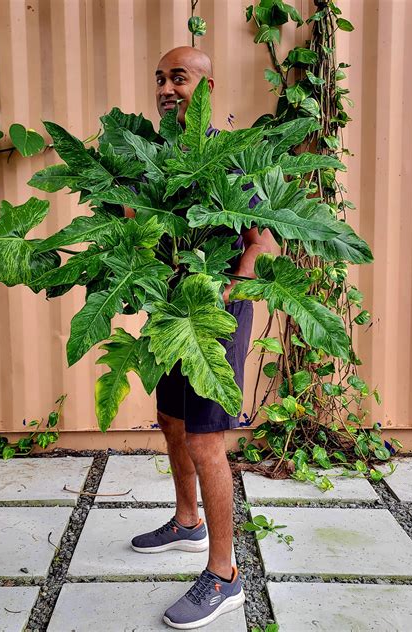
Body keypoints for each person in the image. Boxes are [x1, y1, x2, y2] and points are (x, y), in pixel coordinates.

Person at [130, 46, 273, 629]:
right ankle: (187, 522)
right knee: (172, 422)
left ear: (207, 88)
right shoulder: (154, 159)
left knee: (207, 440)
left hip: (213, 319)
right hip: (171, 313)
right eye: (160, 78)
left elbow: (265, 244)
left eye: (179, 78)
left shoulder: (231, 160)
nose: (166, 87)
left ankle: (225, 575)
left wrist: (226, 295)